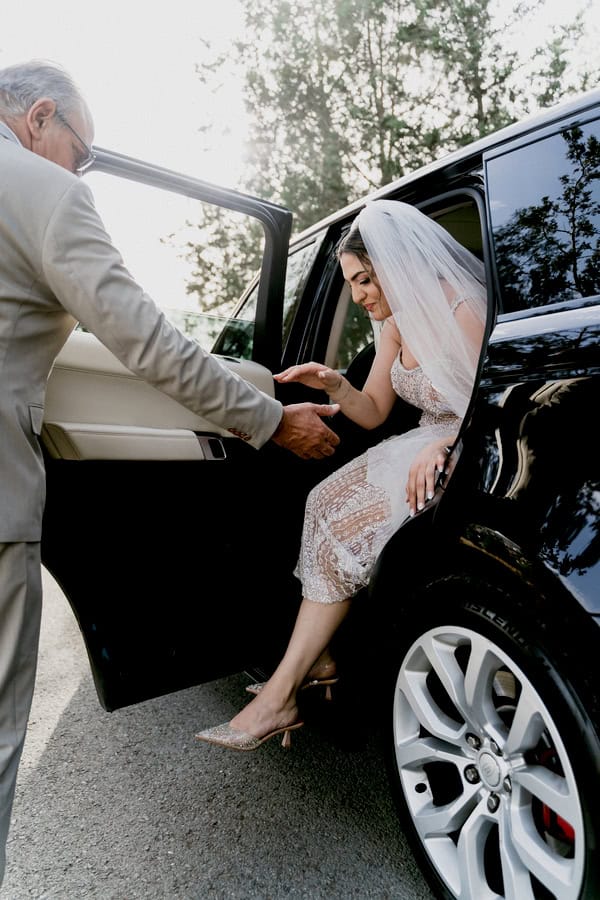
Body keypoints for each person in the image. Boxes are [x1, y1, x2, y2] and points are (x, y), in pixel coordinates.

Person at [0, 59, 340, 884]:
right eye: (82, 151)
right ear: (41, 117)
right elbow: (147, 343)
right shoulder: (44, 196)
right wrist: (267, 418)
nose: (81, 168)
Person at [195, 199, 488, 751]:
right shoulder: (396, 327)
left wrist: (450, 440)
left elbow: (493, 400)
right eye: (353, 283)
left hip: (468, 443)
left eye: (363, 279)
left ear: (396, 264)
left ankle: (280, 694)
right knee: (322, 501)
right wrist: (334, 384)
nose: (358, 296)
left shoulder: (462, 309)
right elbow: (374, 410)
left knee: (344, 519)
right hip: (427, 440)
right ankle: (319, 658)